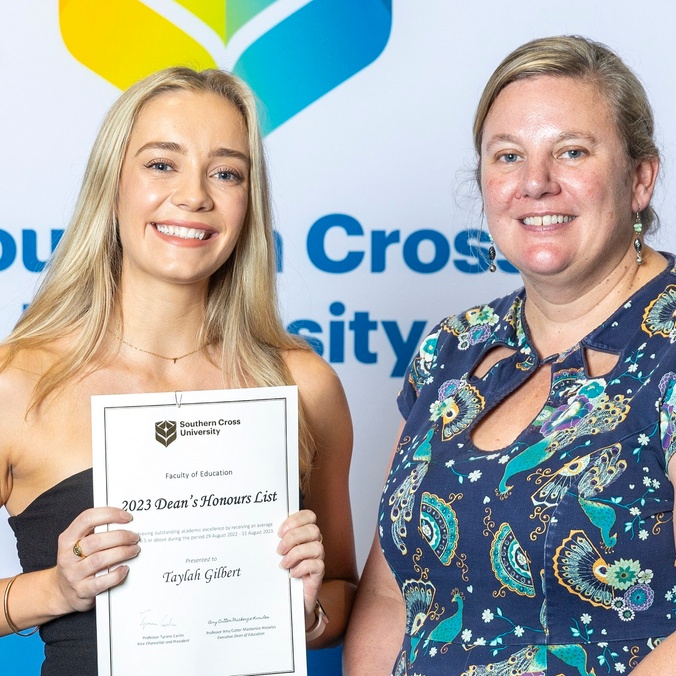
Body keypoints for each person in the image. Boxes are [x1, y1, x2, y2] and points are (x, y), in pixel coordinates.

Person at [0, 67, 357, 674]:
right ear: (112, 185)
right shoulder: (18, 383)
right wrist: (55, 591)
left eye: (226, 172)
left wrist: (306, 614)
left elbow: (346, 592)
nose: (195, 195)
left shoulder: (303, 385)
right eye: (162, 164)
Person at [344, 35, 676, 675]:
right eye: (508, 157)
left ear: (640, 179)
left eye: (572, 152)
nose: (536, 184)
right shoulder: (452, 348)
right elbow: (391, 596)